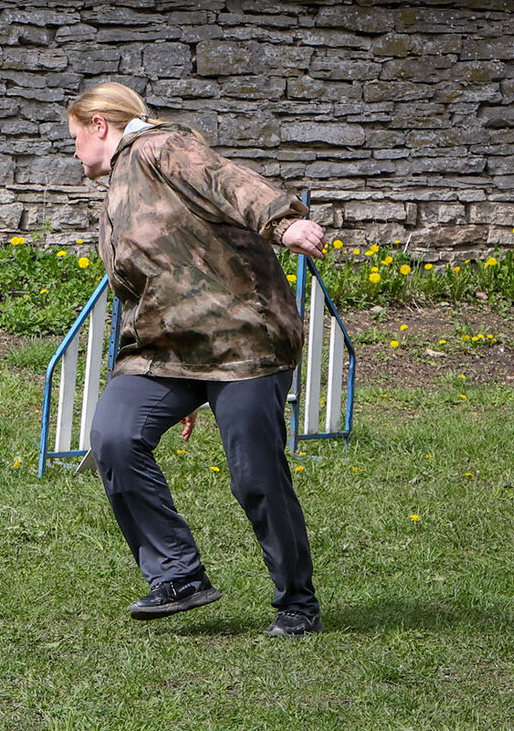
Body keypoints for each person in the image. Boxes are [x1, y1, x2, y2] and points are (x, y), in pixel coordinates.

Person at [66, 82, 327, 637]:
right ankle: (178, 575)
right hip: (166, 352)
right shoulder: (118, 188)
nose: (73, 153)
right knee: (114, 435)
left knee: (255, 475)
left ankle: (297, 603)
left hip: (244, 339)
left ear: (100, 125)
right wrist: (177, 378)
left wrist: (285, 222)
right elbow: (145, 288)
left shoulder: (161, 147)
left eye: (74, 138)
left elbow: (227, 181)